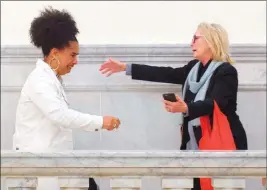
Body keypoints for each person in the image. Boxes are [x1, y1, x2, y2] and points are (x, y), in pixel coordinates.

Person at [99, 22, 248, 190]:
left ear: (211, 41)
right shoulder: (193, 69)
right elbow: (166, 73)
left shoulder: (226, 72)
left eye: (196, 38)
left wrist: (186, 109)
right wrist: (126, 68)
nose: (191, 43)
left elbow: (215, 104)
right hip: (195, 144)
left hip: (222, 143)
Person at [13, 6, 120, 190]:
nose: (75, 61)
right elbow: (60, 116)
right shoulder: (39, 80)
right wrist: (101, 122)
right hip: (41, 169)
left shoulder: (51, 79)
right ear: (54, 53)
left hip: (55, 167)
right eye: (72, 55)